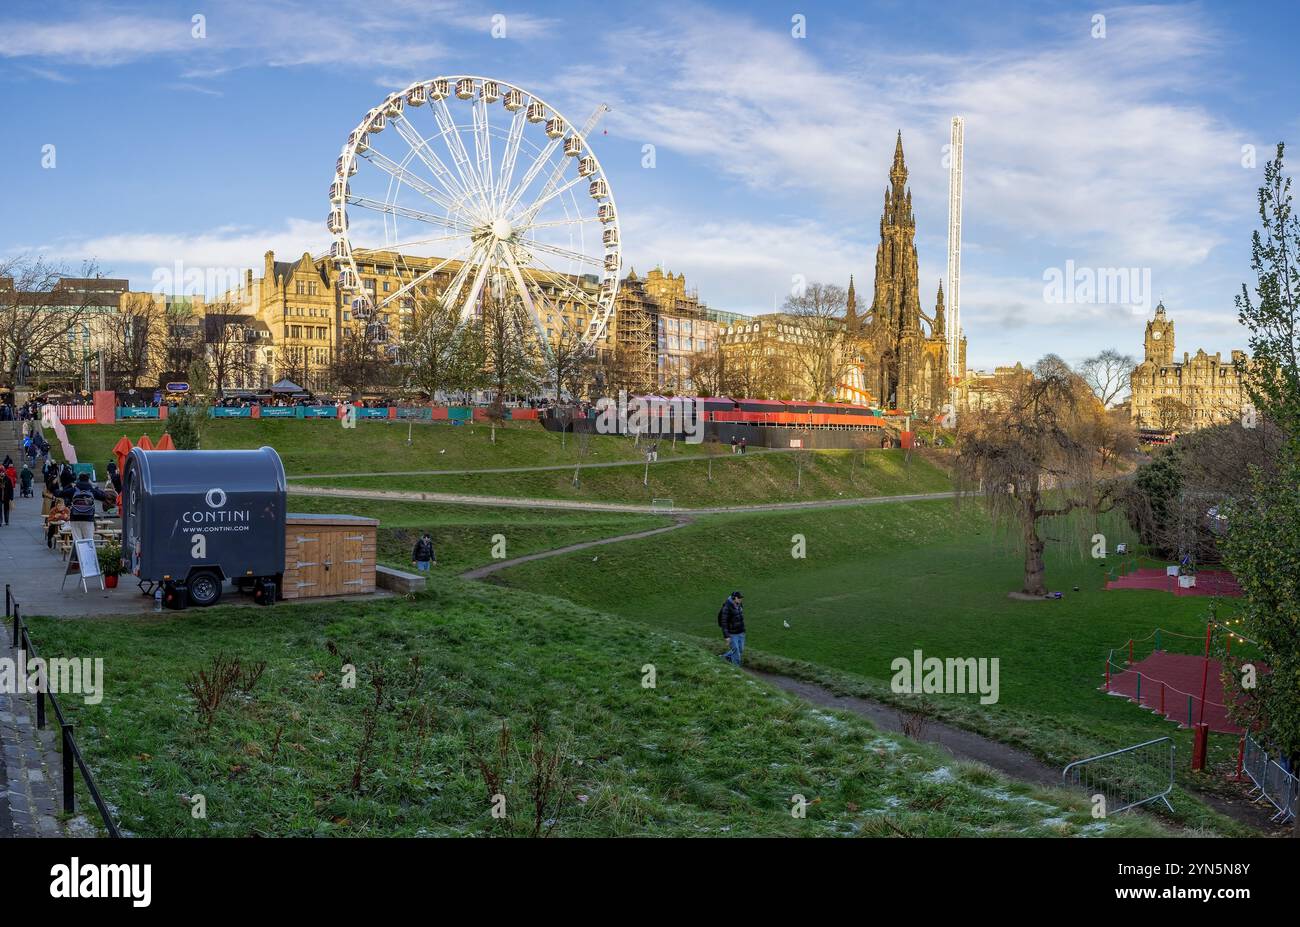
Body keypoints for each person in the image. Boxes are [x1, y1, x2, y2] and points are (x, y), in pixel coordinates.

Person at [57, 472, 107, 542]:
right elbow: (104, 496)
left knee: (77, 541)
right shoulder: (91, 490)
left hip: (75, 517)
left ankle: (78, 552)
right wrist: (96, 487)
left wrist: (69, 485)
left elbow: (60, 493)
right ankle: (88, 553)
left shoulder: (74, 490)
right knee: (89, 540)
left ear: (78, 479)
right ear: (88, 480)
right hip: (88, 518)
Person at [717, 591, 746, 666]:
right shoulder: (726, 607)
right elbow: (724, 623)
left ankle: (723, 658)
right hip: (732, 634)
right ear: (735, 598)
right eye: (739, 598)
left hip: (741, 632)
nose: (741, 599)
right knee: (736, 652)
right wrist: (726, 636)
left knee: (740, 650)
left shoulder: (739, 604)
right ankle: (737, 670)